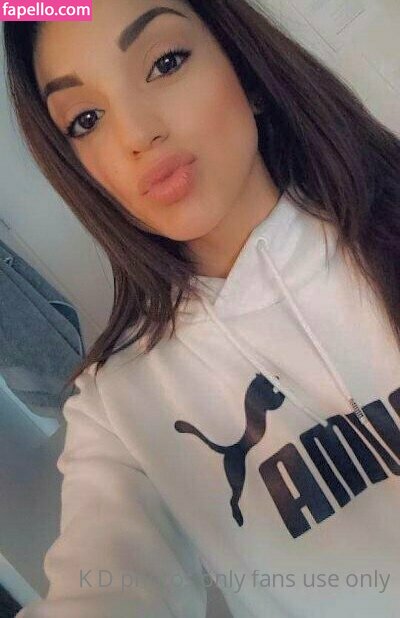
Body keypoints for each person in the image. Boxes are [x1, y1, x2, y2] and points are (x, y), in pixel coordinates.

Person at [3, 1, 400, 616]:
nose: (137, 134)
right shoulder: (120, 408)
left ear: (244, 70)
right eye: (86, 119)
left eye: (165, 62)